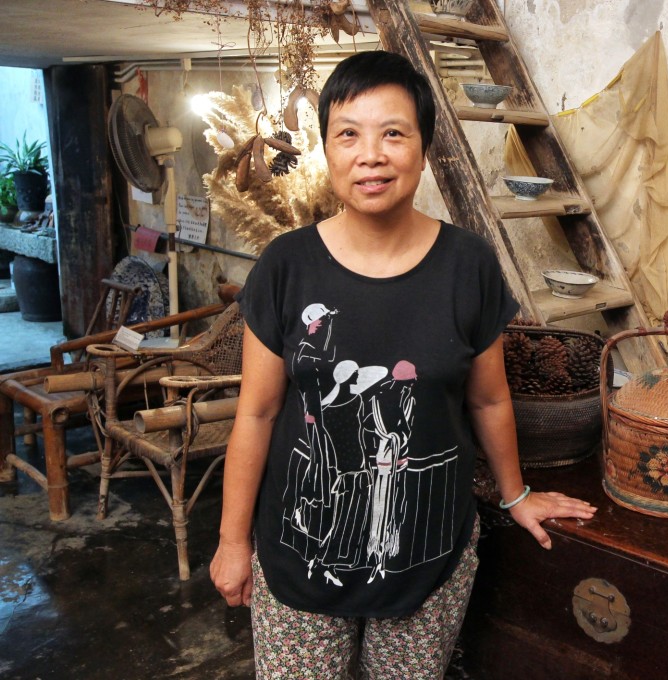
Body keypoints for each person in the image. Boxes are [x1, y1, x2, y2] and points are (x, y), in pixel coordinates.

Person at [210, 49, 597, 679]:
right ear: (327, 150)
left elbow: (490, 400)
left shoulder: (467, 265)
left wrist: (516, 493)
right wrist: (232, 542)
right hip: (296, 557)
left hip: (428, 562)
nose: (371, 154)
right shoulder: (286, 266)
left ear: (424, 149)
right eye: (349, 135)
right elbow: (255, 414)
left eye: (393, 133)